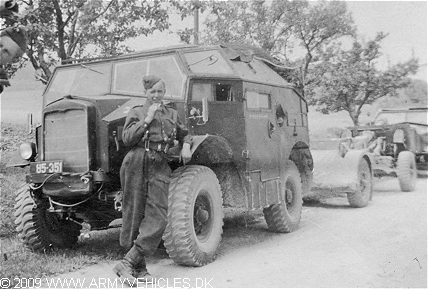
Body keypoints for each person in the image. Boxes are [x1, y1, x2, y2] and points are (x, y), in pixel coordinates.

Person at [113, 75, 192, 285]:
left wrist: (186, 145)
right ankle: (139, 269)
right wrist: (147, 119)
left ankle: (128, 261)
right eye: (152, 92)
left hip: (160, 163)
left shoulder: (172, 113)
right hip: (137, 161)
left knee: (158, 216)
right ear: (145, 93)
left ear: (164, 92)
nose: (157, 95)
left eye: (160, 91)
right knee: (133, 213)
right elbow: (128, 139)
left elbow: (185, 133)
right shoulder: (137, 111)